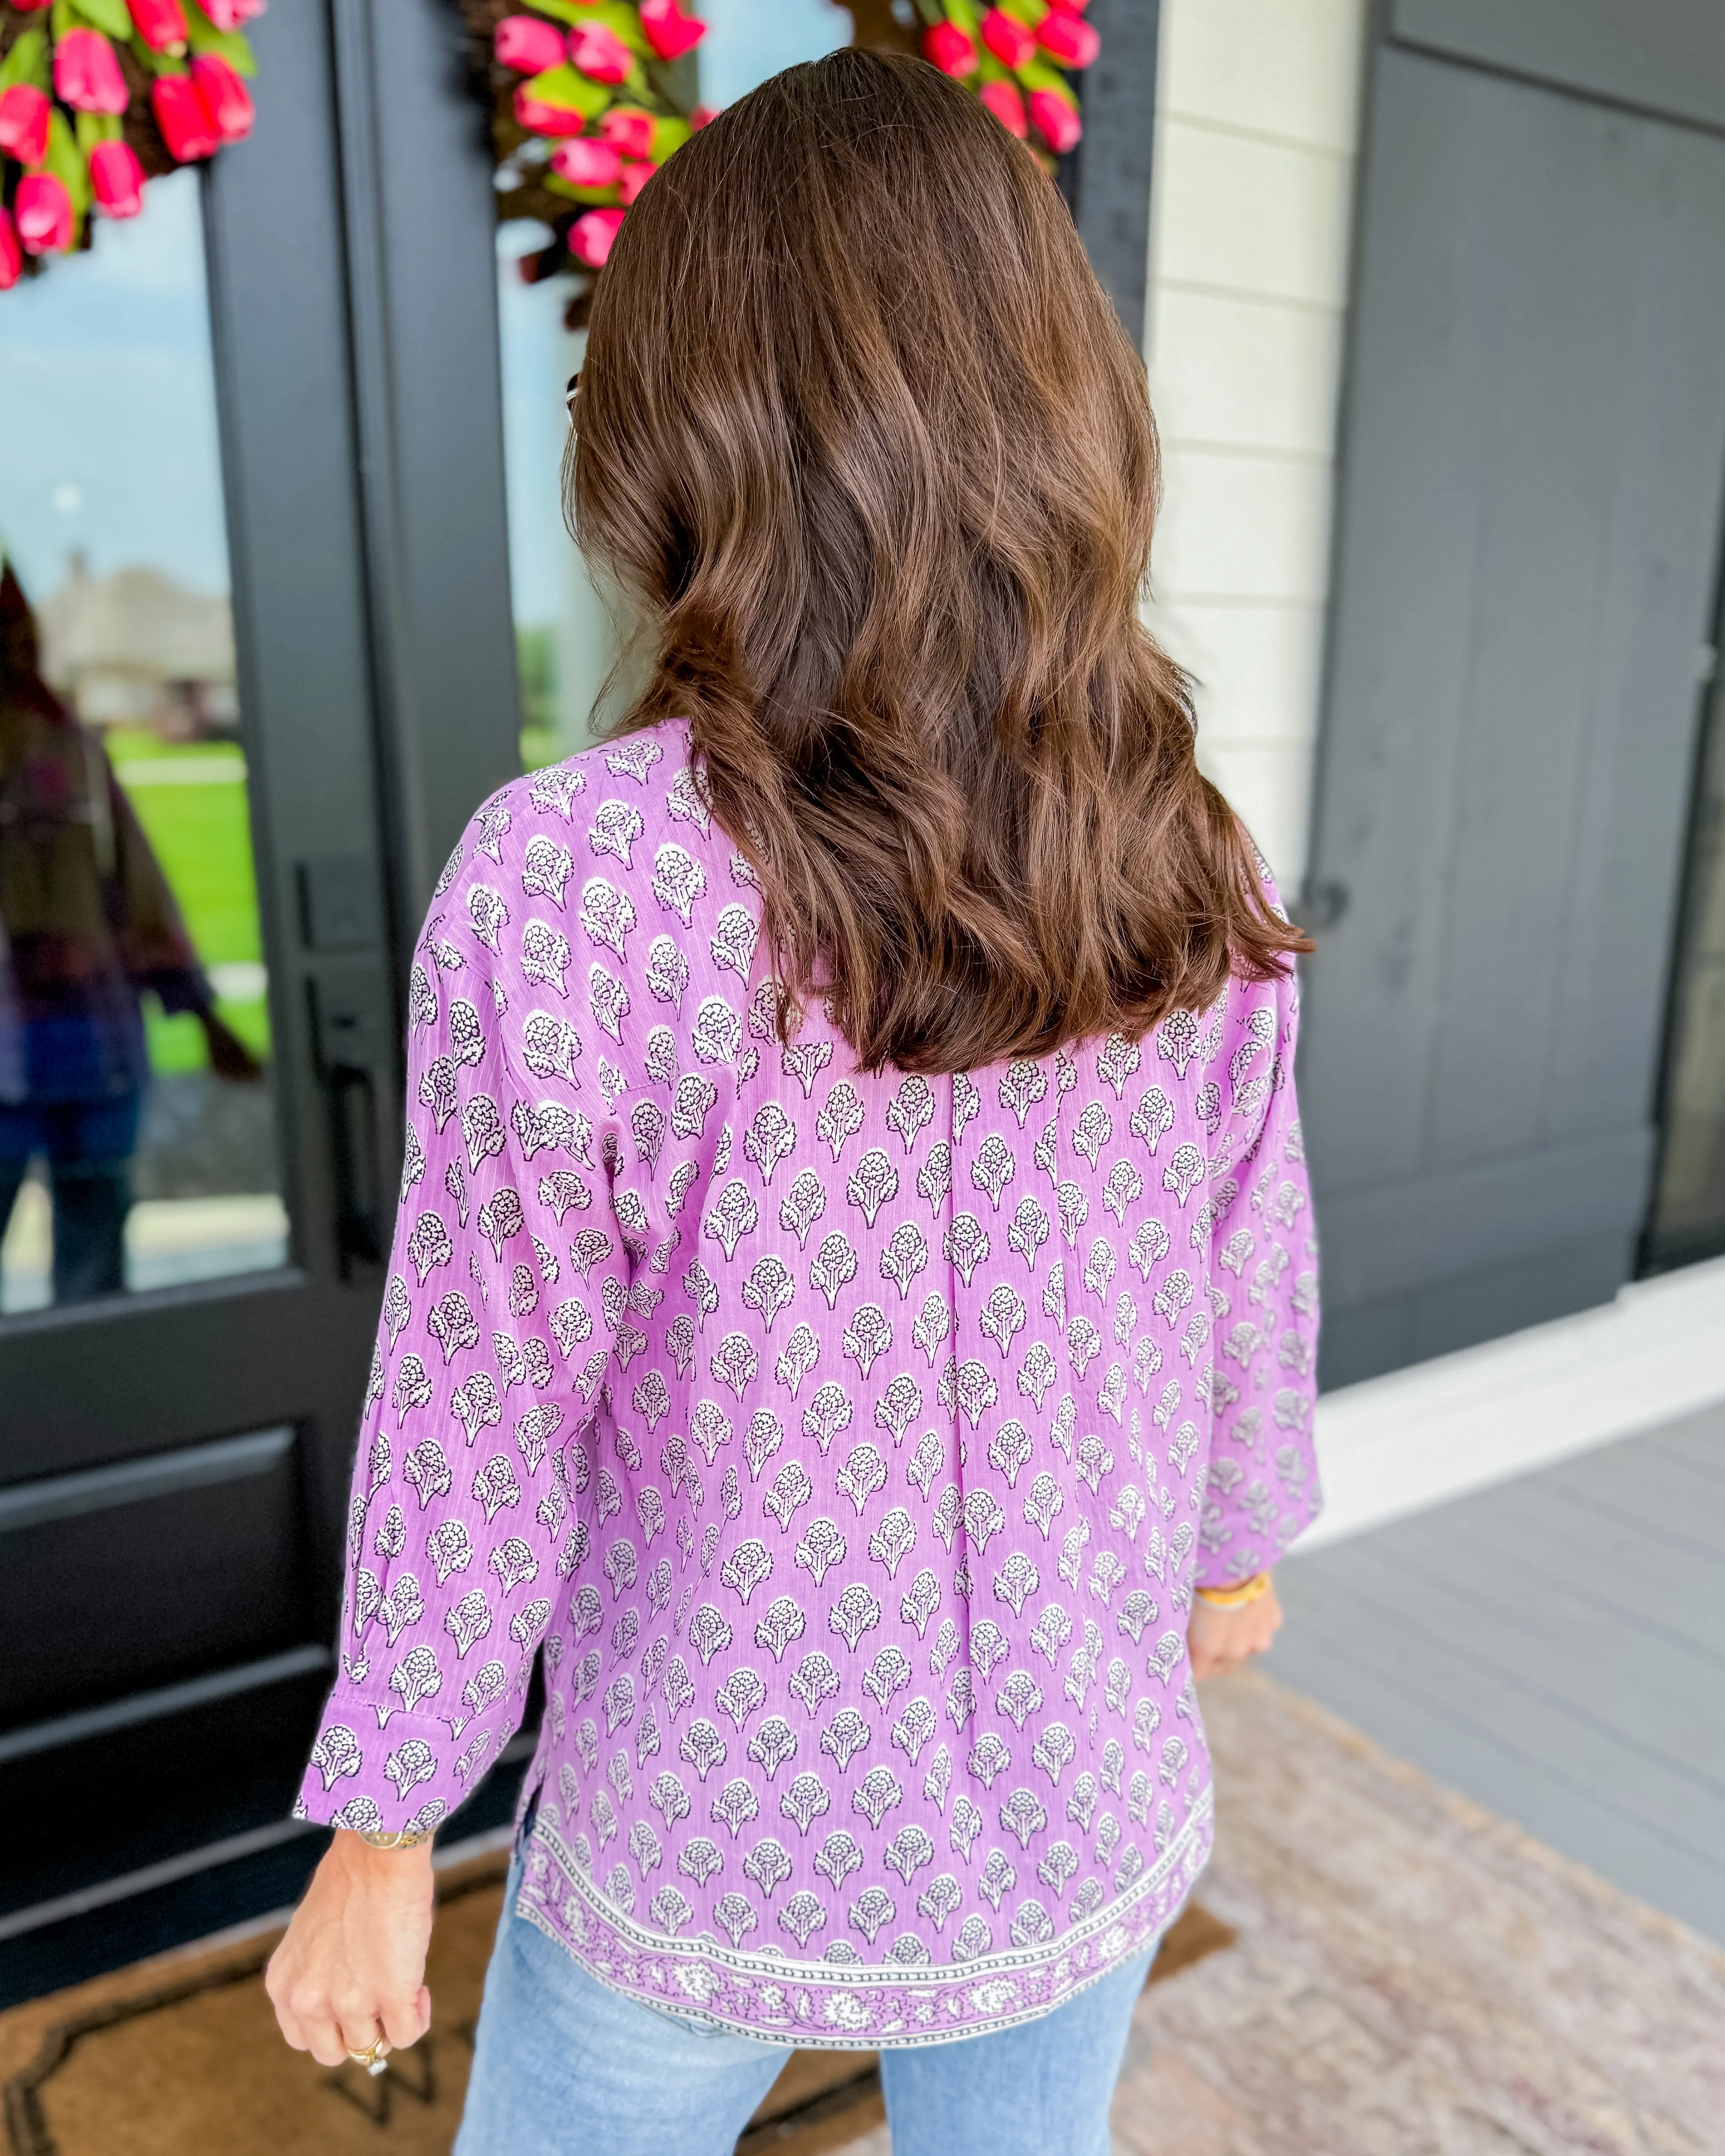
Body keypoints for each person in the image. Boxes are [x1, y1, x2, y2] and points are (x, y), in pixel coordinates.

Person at [267, 50, 1320, 2156]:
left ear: (690, 429)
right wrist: (1236, 1535)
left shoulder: (577, 882)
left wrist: (384, 1821)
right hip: (1078, 1773)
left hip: (716, 1827)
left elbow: (482, 1403)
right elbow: (1250, 1246)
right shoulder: (1176, 833)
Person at [0, 559, 261, 1303]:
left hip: (89, 1048)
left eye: (22, 631)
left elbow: (139, 899)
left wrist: (207, 1019)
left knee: (93, 1260)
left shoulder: (70, 754)